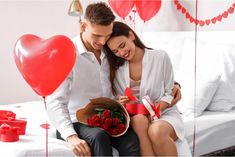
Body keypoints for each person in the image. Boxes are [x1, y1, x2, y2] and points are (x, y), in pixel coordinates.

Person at [46, 3, 140, 156]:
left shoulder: (110, 48)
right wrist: (71, 137)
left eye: (107, 35)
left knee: (131, 139)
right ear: (83, 26)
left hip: (108, 118)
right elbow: (54, 101)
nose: (103, 42)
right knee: (99, 137)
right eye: (97, 35)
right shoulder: (67, 54)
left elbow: (140, 63)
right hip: (76, 120)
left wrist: (174, 85)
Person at [103, 21, 184, 156]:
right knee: (139, 120)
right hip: (136, 116)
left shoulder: (160, 57)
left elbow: (169, 92)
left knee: (156, 131)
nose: (121, 53)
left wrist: (154, 110)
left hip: (164, 113)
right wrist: (121, 103)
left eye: (122, 45)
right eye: (115, 51)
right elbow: (115, 98)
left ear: (131, 36)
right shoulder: (116, 69)